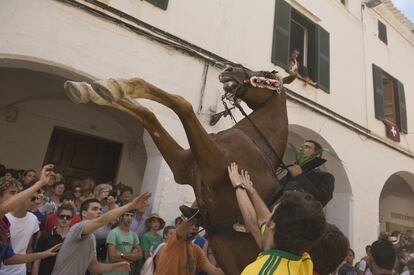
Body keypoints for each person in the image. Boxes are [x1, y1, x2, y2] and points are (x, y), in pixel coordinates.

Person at [227, 162, 326, 274]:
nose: (268, 213)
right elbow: (254, 222)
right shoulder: (304, 259)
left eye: (272, 211)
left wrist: (237, 185)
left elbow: (257, 223)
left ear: (272, 224)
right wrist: (250, 190)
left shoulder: (259, 272)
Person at [51, 192, 151, 275]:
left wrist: (115, 266)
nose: (99, 211)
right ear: (84, 213)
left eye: (100, 209)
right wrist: (131, 205)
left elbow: (94, 268)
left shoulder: (92, 237)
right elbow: (102, 221)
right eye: (94, 209)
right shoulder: (78, 227)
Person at [0, 165, 60, 268]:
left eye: (18, 193)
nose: (17, 197)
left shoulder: (5, 223)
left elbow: (9, 259)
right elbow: (2, 208)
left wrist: (43, 254)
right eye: (12, 193)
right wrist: (40, 183)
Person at [266, 140, 335, 208]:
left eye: (307, 147)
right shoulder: (289, 175)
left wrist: (300, 177)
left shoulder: (326, 177)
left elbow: (321, 200)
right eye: (301, 147)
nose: (301, 149)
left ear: (317, 154)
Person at [156, 208, 225, 275]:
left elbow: (214, 271)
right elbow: (188, 220)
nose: (194, 227)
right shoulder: (174, 241)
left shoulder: (197, 250)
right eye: (191, 224)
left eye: (197, 225)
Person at [0, 186, 41, 275]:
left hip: (20, 271)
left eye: (37, 198)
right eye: (33, 198)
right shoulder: (4, 218)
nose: (36, 202)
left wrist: (29, 270)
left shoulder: (33, 219)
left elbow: (28, 247)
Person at [32, 203, 75, 275]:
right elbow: (37, 261)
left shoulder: (74, 238)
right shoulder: (45, 237)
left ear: (72, 219)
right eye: (62, 216)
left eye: (68, 217)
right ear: (57, 217)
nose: (64, 219)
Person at [104, 210, 142, 275]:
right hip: (111, 273)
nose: (129, 218)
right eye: (127, 215)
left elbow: (140, 255)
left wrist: (121, 255)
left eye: (132, 216)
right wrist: (131, 258)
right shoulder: (113, 233)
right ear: (121, 217)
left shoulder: (134, 235)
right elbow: (112, 257)